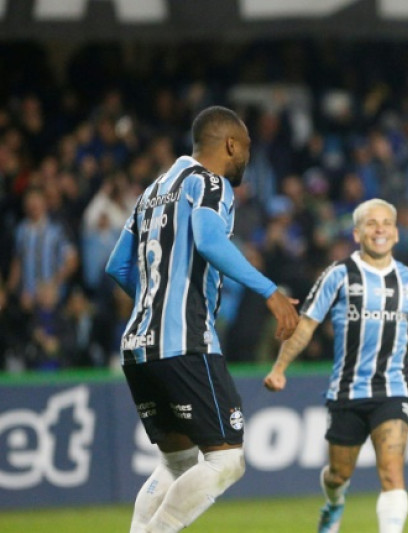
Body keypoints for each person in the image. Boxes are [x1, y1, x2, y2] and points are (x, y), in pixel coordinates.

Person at [105, 105, 300, 533]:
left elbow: (117, 267)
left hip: (139, 345)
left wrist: (155, 305)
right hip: (185, 342)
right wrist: (271, 293)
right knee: (227, 459)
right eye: (246, 147)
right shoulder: (210, 184)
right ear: (231, 144)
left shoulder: (153, 190)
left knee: (177, 463)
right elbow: (210, 240)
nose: (247, 156)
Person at [264, 198, 408, 533]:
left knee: (392, 473)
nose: (380, 229)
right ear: (358, 233)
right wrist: (279, 368)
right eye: (371, 224)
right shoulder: (338, 275)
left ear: (396, 233)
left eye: (386, 223)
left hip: (393, 388)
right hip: (347, 391)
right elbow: (305, 325)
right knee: (338, 476)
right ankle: (334, 505)